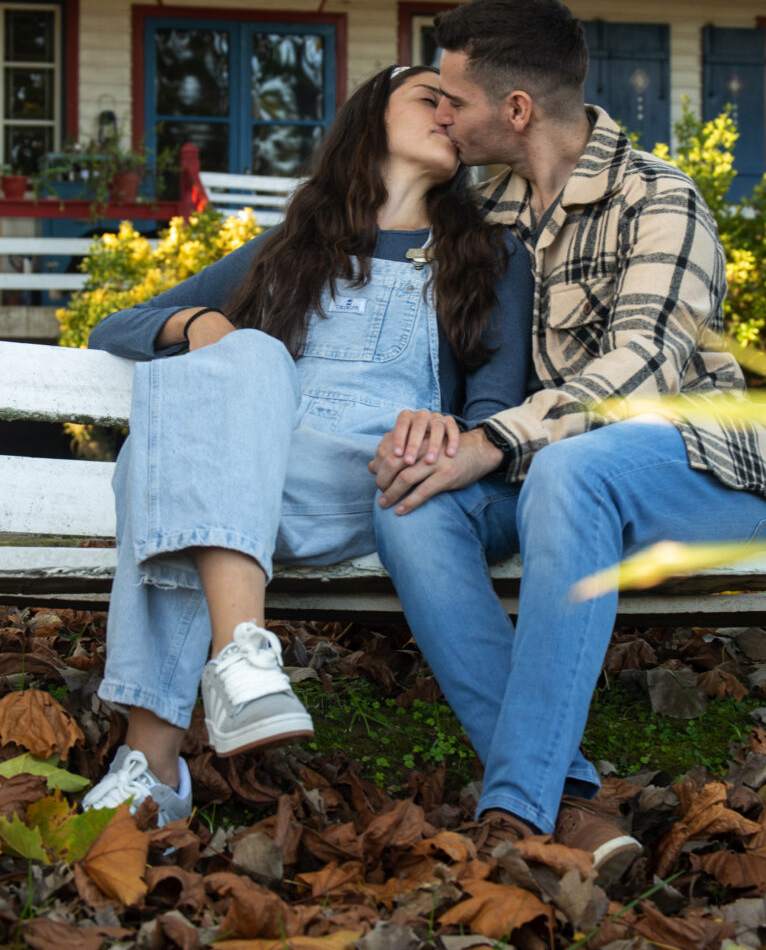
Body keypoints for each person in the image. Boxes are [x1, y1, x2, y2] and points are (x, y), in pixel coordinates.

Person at [371, 0, 766, 882]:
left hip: (703, 472)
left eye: (454, 100)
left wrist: (494, 441)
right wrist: (432, 439)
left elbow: (643, 367)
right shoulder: (489, 210)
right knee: (411, 509)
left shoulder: (661, 200)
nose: (443, 114)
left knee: (573, 472)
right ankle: (571, 798)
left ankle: (512, 808)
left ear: (516, 110)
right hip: (552, 474)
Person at [81, 64, 534, 823]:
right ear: (370, 120)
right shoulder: (292, 246)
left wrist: (451, 430)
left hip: (369, 471)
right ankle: (227, 682)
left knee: (172, 469)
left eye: (459, 105)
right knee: (245, 367)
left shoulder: (488, 256)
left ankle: (158, 753)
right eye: (430, 98)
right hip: (261, 460)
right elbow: (116, 326)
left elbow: (496, 396)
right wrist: (200, 325)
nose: (449, 114)